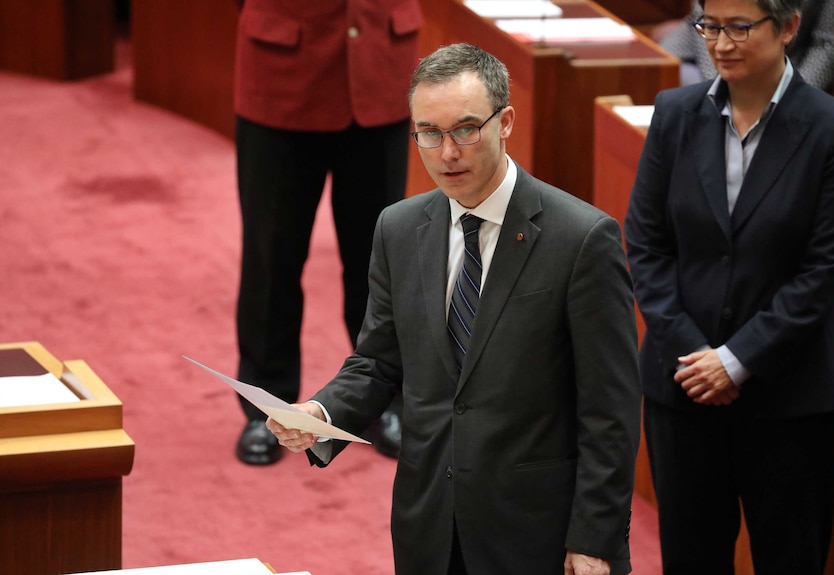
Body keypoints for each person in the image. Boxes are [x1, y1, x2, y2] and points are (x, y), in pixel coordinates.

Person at [266, 43, 642, 575]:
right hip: (430, 525)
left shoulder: (581, 239)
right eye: (429, 133)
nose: (447, 153)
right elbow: (379, 361)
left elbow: (611, 410)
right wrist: (322, 413)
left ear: (505, 121)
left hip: (537, 532)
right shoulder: (397, 229)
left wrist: (595, 539)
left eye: (466, 129)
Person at [624, 1, 834, 574]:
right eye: (710, 26)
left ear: (787, 28)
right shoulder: (674, 114)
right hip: (683, 390)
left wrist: (737, 360)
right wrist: (695, 353)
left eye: (740, 27)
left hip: (791, 397)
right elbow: (647, 246)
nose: (720, 43)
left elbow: (824, 270)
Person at [231, 0, 423, 464]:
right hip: (283, 72)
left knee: (382, 263)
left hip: (380, 69)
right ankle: (266, 406)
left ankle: (385, 398)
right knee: (271, 256)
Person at [657, 0, 834, 92]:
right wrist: (721, 81)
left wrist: (795, 95)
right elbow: (703, 13)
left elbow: (827, 42)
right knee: (659, 76)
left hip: (785, 59)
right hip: (700, 41)